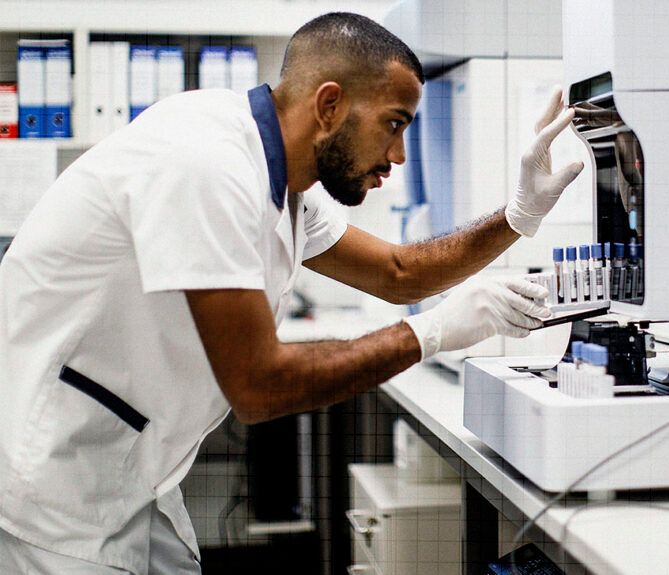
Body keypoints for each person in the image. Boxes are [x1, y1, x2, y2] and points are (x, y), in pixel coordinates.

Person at [0, 12, 583, 574]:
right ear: (330, 106)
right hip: (56, 486)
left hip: (133, 469)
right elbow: (259, 386)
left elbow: (401, 272)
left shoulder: (283, 179)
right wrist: (428, 334)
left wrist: (519, 214)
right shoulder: (206, 164)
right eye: (395, 123)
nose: (400, 156)